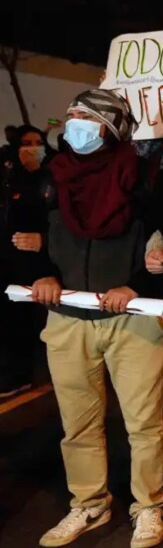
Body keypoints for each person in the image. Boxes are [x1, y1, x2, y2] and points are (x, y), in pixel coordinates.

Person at [29, 89, 163, 548]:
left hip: (132, 318)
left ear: (114, 127)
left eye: (86, 116)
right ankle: (89, 503)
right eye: (72, 114)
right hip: (67, 319)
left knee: (143, 421)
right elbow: (24, 238)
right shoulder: (51, 178)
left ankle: (149, 505)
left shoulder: (146, 178)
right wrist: (38, 273)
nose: (73, 123)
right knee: (78, 422)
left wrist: (138, 284)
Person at [1, 125, 52, 396]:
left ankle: (24, 374)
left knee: (28, 321)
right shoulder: (10, 179)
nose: (33, 148)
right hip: (10, 260)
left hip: (40, 263)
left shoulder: (51, 178)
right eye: (26, 143)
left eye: (38, 142)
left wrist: (44, 239)